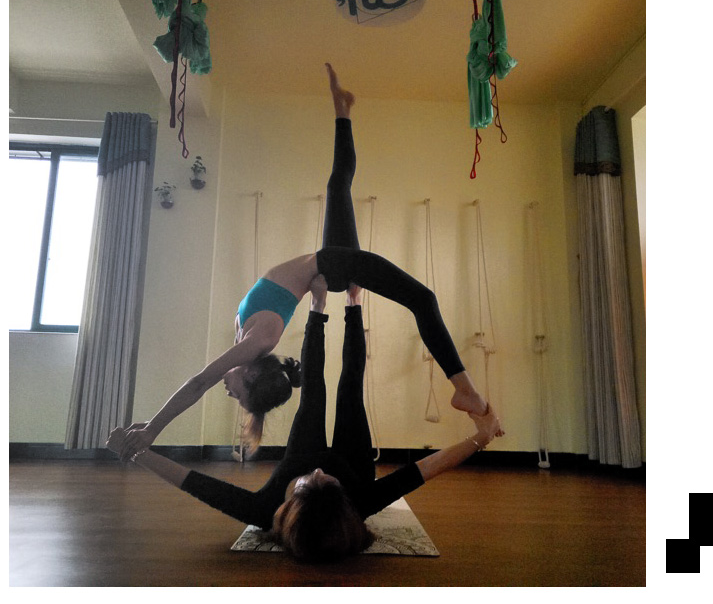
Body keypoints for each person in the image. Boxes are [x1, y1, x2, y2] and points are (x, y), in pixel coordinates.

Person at [117, 64, 492, 463]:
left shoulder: (246, 339)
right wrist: (153, 429)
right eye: (240, 396)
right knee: (423, 298)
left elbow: (205, 381)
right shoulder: (259, 342)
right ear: (251, 374)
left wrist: (157, 425)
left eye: (237, 399)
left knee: (338, 184)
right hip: (333, 264)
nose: (229, 394)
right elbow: (200, 383)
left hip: (330, 263)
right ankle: (464, 389)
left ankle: (342, 109)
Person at [106, 279, 503, 562]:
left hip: (300, 450)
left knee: (313, 390)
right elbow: (426, 469)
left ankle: (318, 306)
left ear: (287, 507)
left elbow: (197, 484)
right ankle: (353, 302)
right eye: (326, 481)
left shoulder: (263, 510)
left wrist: (137, 452)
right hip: (354, 463)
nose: (318, 470)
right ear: (344, 499)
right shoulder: (361, 500)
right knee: (350, 388)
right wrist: (480, 438)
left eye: (307, 483)